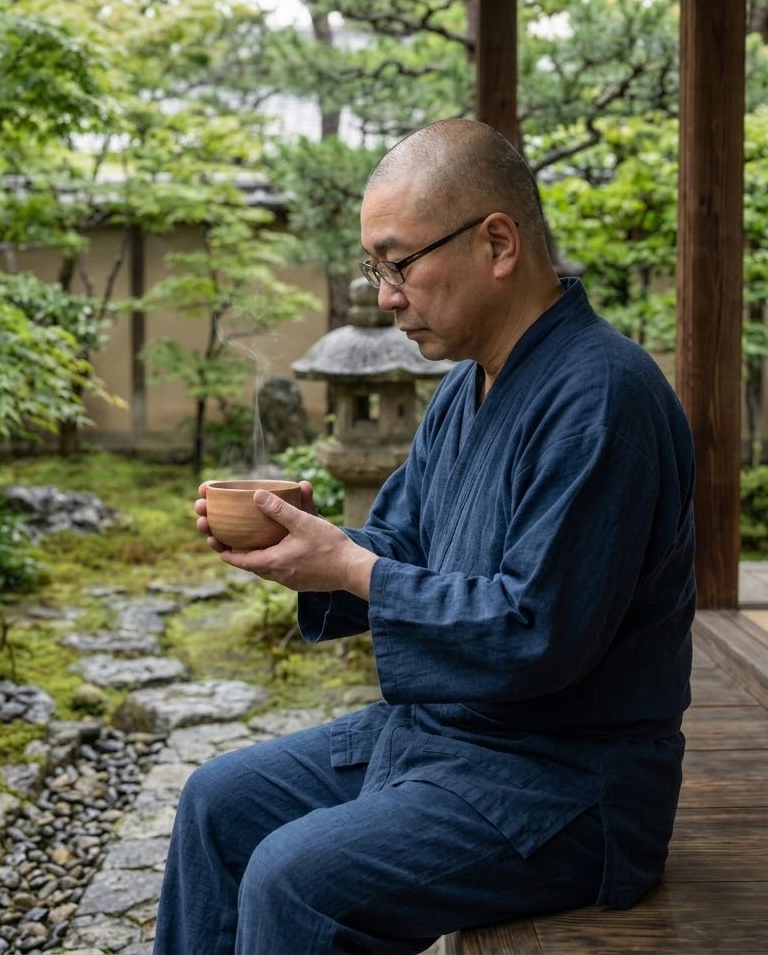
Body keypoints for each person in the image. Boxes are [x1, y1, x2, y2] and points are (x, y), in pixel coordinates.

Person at [153, 117, 696, 954]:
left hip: (567, 783)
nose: (384, 296)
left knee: (296, 881)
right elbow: (400, 544)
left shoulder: (604, 396)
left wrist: (354, 569)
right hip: (448, 738)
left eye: (398, 264)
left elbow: (535, 628)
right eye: (377, 269)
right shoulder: (466, 387)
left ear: (498, 243)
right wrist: (311, 554)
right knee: (217, 803)